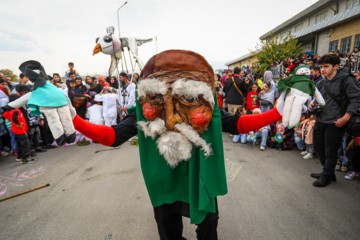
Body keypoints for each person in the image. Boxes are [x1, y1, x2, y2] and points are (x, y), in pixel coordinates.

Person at [68, 50, 291, 240]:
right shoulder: (144, 113)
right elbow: (112, 136)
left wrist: (276, 113)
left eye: (186, 100)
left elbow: (236, 124)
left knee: (208, 226)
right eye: (158, 100)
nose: (172, 119)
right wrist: (73, 120)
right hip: (165, 182)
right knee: (168, 228)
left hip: (198, 178)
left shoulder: (208, 109)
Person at [308, 54, 360, 187]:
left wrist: (345, 117)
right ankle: (329, 173)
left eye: (326, 66)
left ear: (336, 66)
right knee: (319, 149)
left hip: (336, 122)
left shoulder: (346, 80)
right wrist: (313, 105)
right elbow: (317, 99)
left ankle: (326, 177)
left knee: (330, 151)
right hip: (321, 120)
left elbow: (356, 99)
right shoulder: (321, 82)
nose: (323, 70)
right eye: (321, 67)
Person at [2, 94, 34, 164]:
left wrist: (13, 121)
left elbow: (4, 114)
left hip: (16, 130)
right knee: (25, 144)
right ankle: (25, 158)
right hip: (21, 130)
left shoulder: (11, 110)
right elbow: (14, 118)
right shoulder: (16, 110)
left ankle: (20, 157)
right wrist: (18, 123)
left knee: (19, 144)